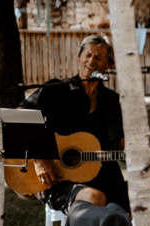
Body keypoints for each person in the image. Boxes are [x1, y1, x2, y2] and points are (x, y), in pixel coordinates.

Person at [21, 34, 127, 212]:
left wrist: (141, 154)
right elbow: (20, 116)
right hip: (58, 180)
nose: (91, 61)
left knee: (138, 204)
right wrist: (39, 159)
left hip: (106, 177)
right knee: (95, 199)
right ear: (79, 57)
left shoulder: (111, 101)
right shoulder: (57, 90)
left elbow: (121, 145)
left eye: (98, 57)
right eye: (88, 55)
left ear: (108, 65)